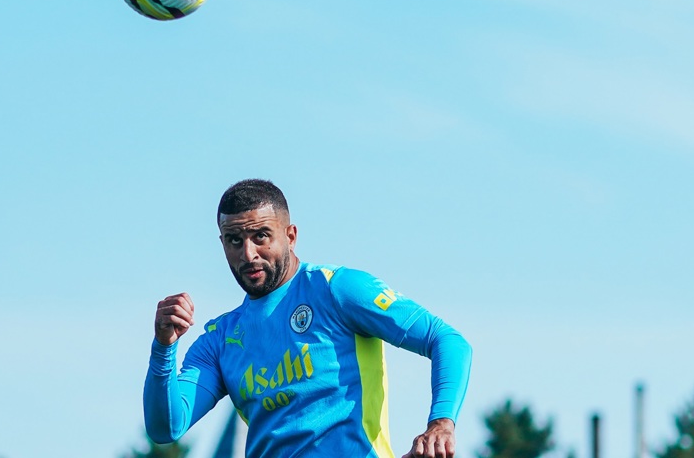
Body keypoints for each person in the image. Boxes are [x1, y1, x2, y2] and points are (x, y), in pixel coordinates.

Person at [144, 179, 472, 458]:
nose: (248, 254)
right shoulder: (219, 340)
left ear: (290, 235)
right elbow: (166, 427)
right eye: (234, 240)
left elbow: (446, 340)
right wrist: (164, 346)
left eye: (260, 236)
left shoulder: (337, 290)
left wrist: (441, 423)